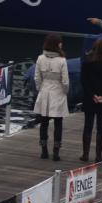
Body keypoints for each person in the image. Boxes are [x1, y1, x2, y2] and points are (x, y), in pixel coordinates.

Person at [34, 33, 69, 161]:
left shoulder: (40, 58)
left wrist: (40, 89)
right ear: (56, 45)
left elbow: (37, 78)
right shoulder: (62, 60)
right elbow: (65, 81)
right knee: (58, 123)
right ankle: (56, 152)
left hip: (44, 91)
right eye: (60, 42)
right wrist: (65, 92)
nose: (61, 44)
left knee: (44, 122)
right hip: (58, 92)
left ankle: (44, 151)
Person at [80, 38, 102, 162]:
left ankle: (85, 154)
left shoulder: (88, 61)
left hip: (90, 99)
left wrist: (92, 95)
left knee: (87, 126)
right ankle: (98, 155)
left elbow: (84, 81)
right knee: (101, 127)